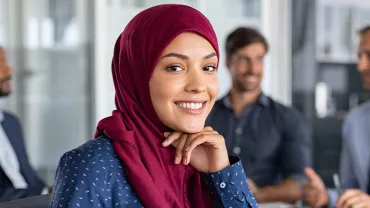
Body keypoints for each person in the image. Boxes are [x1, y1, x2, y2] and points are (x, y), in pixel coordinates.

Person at [50, 4, 258, 208]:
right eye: (175, 67)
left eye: (208, 67)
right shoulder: (91, 165)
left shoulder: (207, 159)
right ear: (138, 75)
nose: (198, 86)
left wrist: (221, 171)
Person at [206, 27, 310, 203]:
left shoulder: (287, 117)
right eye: (244, 59)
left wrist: (256, 194)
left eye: (259, 59)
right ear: (227, 63)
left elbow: (301, 182)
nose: (253, 69)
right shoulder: (206, 114)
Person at [303, 26, 370, 208]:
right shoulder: (355, 122)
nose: (361, 65)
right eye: (360, 56)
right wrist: (326, 197)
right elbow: (351, 191)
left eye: (369, 56)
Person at [0, 46, 48, 202]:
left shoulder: (10, 123)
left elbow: (29, 177)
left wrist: (52, 191)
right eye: (1, 64)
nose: (9, 71)